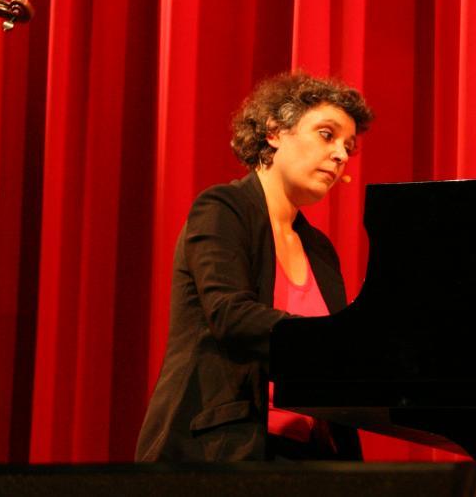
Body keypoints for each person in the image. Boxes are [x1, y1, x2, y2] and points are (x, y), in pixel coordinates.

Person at [136, 72, 373, 463]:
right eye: (327, 135)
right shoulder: (223, 209)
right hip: (223, 450)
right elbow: (231, 315)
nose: (341, 155)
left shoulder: (320, 250)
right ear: (275, 131)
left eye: (349, 146)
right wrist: (337, 343)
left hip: (311, 456)